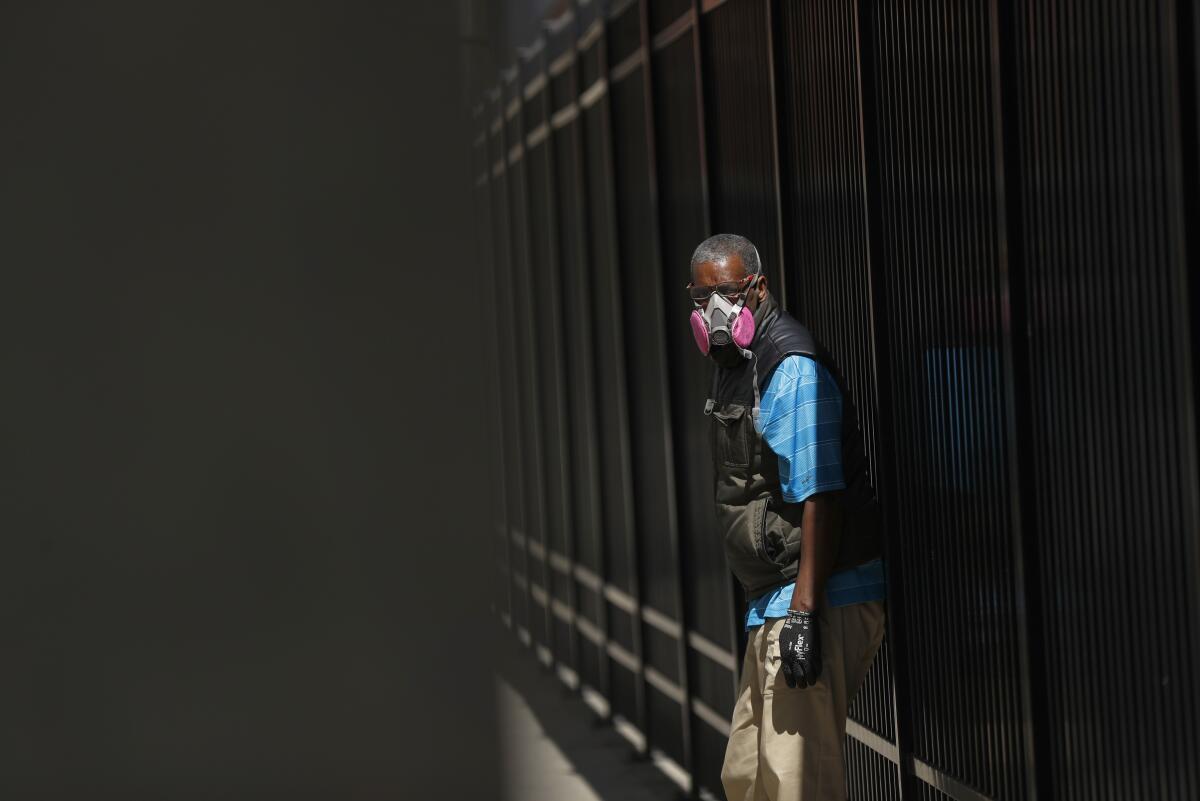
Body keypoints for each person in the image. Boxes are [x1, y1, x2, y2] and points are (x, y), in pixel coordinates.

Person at [686, 233, 887, 801]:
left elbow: (819, 493)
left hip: (817, 596)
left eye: (726, 292)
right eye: (701, 299)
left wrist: (803, 616)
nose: (714, 310)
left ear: (757, 287)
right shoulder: (736, 363)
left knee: (796, 783)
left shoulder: (790, 367)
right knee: (751, 776)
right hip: (773, 600)